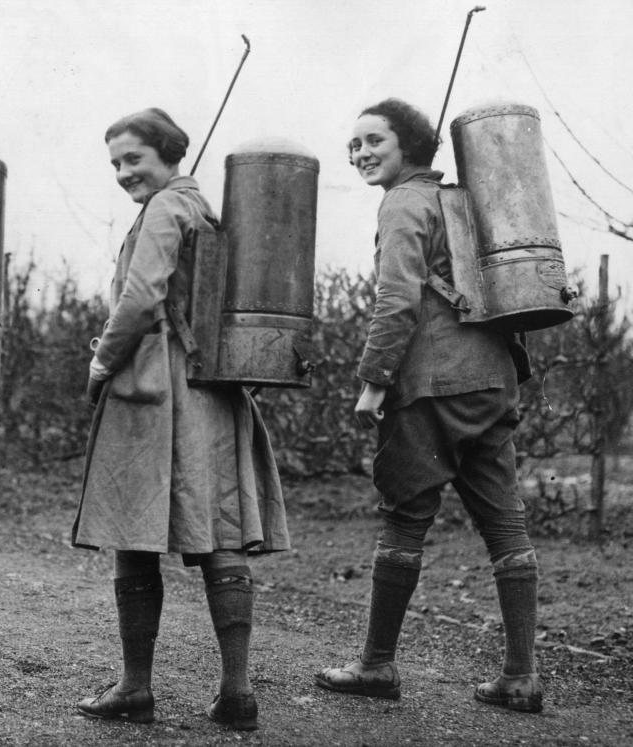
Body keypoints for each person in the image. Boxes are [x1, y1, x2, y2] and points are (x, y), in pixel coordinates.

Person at [314, 99, 542, 713]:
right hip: (493, 377)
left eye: (372, 141)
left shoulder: (404, 202)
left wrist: (374, 379)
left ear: (409, 146)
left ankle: (377, 666)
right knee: (504, 522)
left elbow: (397, 299)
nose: (359, 153)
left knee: (404, 518)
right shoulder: (461, 198)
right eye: (353, 145)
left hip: (430, 384)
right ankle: (520, 676)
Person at [71, 108, 290, 731]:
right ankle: (236, 693)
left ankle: (136, 688)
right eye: (115, 162)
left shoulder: (168, 208)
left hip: (156, 388)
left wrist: (99, 366)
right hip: (209, 389)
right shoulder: (198, 206)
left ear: (168, 154)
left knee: (134, 529)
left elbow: (142, 299)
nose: (122, 172)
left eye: (133, 158)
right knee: (216, 529)